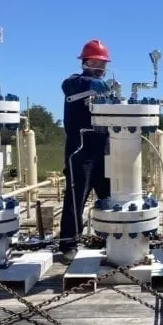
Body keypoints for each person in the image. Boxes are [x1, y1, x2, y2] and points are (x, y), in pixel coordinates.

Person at [58, 39, 113, 253]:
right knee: (75, 198)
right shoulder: (75, 83)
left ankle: (112, 239)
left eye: (102, 64)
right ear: (84, 63)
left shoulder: (106, 93)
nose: (99, 69)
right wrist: (90, 85)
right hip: (80, 151)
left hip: (104, 151)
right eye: (94, 63)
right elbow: (69, 85)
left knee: (109, 198)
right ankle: (68, 245)